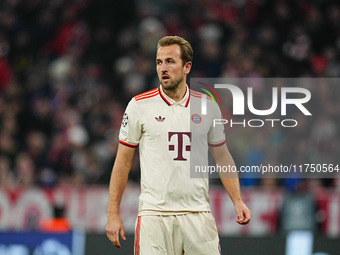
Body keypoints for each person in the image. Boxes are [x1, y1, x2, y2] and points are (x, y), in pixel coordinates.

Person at [106, 35, 251, 255]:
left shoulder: (207, 106)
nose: (163, 68)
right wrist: (112, 213)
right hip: (154, 216)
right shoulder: (139, 106)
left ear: (187, 67)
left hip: (198, 215)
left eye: (170, 61)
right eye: (159, 62)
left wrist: (237, 200)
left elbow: (222, 157)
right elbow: (123, 161)